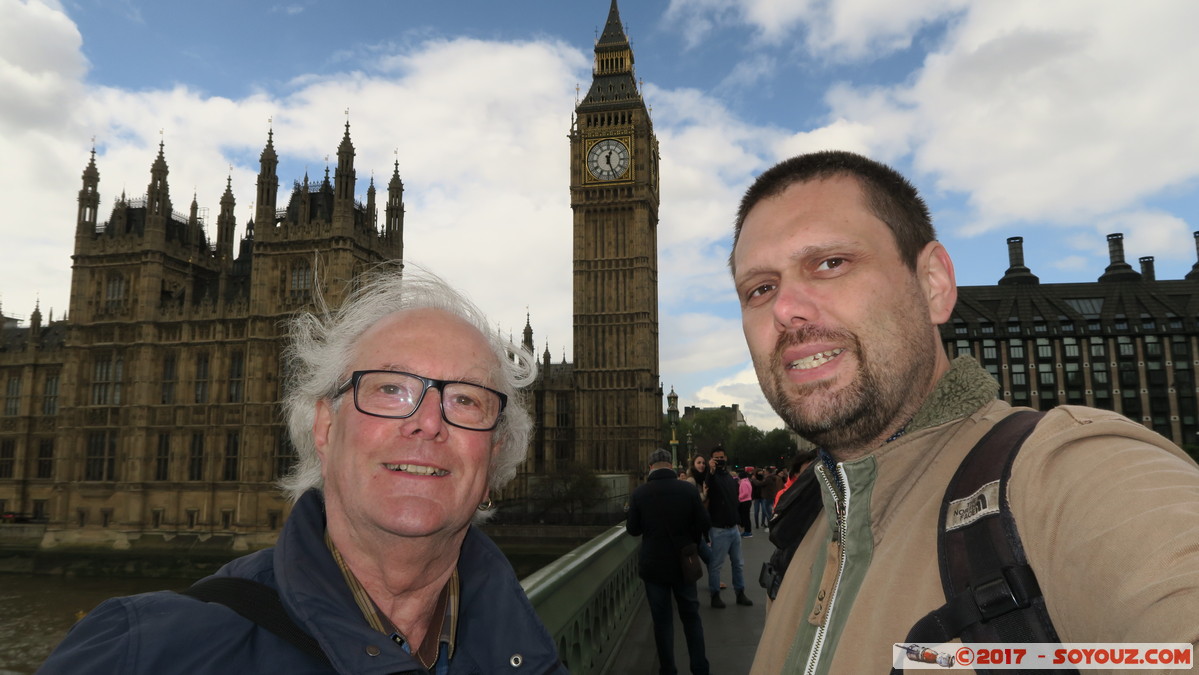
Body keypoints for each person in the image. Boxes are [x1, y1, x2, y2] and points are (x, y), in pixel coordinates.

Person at [730, 150, 1199, 673]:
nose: (785, 308)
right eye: (760, 288)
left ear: (933, 284)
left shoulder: (1067, 474)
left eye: (830, 263)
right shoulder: (801, 527)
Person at [39, 266, 569, 674]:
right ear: (324, 427)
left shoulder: (530, 652)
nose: (427, 424)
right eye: (389, 389)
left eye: (466, 401)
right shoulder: (142, 652)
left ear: (496, 453)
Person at [626, 448, 712, 675]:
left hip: (654, 568)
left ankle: (668, 669)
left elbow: (633, 529)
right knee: (691, 618)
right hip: (685, 565)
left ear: (650, 467)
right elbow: (704, 523)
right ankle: (700, 668)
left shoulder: (640, 493)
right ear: (670, 466)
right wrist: (689, 543)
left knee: (662, 622)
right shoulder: (687, 490)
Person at [703, 447, 754, 609]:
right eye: (716, 458)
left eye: (721, 457)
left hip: (733, 528)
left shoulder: (730, 478)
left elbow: (735, 501)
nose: (719, 460)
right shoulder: (712, 477)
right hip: (718, 528)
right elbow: (708, 486)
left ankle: (740, 592)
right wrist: (710, 471)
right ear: (711, 460)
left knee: (738, 563)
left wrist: (739, 520)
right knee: (716, 565)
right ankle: (715, 595)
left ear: (726, 458)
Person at [736, 469, 754, 537]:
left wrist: (739, 497)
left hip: (744, 501)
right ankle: (747, 531)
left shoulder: (743, 483)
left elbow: (745, 493)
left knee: (745, 517)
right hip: (748, 500)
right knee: (746, 517)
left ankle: (748, 531)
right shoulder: (747, 482)